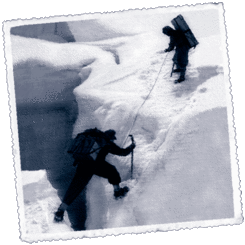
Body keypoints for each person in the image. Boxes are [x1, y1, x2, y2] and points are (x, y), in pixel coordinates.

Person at [54, 129, 136, 222]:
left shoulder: (94, 138)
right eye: (113, 139)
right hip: (95, 166)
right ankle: (117, 192)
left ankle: (60, 211)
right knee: (112, 171)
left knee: (75, 188)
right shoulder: (107, 143)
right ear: (110, 138)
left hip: (82, 164)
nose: (113, 141)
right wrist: (132, 146)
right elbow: (123, 152)